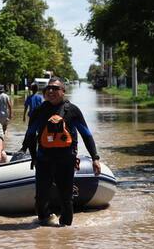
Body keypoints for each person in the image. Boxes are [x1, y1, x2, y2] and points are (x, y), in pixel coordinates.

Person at [21, 77, 101, 227]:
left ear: (63, 91)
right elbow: (30, 135)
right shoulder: (39, 111)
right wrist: (33, 157)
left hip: (66, 161)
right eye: (48, 89)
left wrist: (95, 158)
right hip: (44, 160)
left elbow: (86, 135)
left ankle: (65, 232)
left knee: (66, 198)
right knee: (41, 198)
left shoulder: (72, 111)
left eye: (55, 88)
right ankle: (44, 221)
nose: (51, 91)